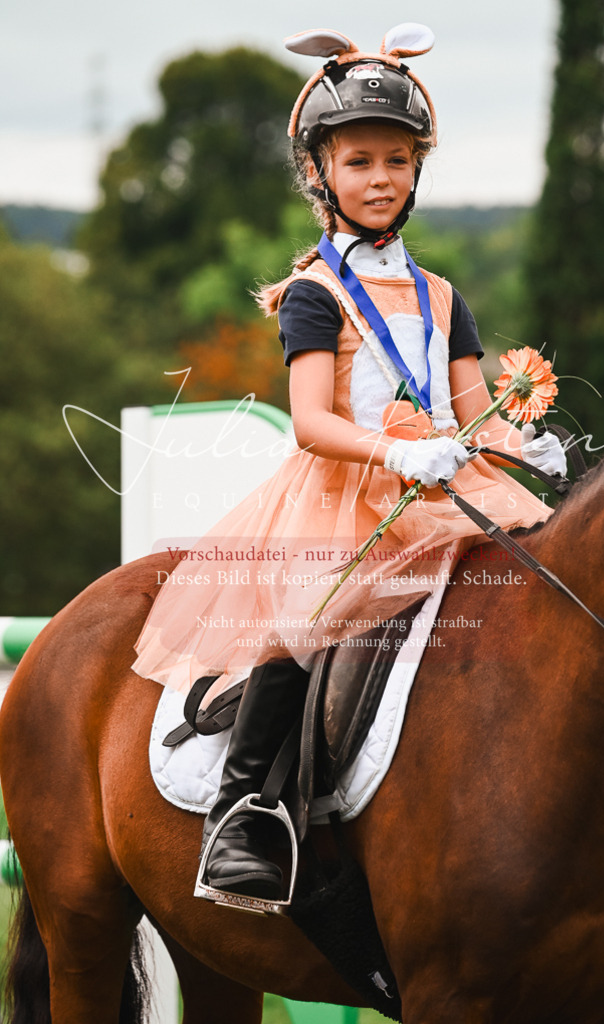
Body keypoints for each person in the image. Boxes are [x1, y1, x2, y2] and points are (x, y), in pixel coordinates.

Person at [132, 23, 567, 902]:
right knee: (307, 621)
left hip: (447, 484)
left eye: (398, 161)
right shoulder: (314, 295)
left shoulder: (445, 294)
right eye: (360, 161)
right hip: (345, 493)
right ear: (320, 173)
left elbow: (470, 408)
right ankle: (243, 811)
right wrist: (404, 450)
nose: (380, 179)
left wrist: (523, 444)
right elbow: (310, 424)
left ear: (417, 172)